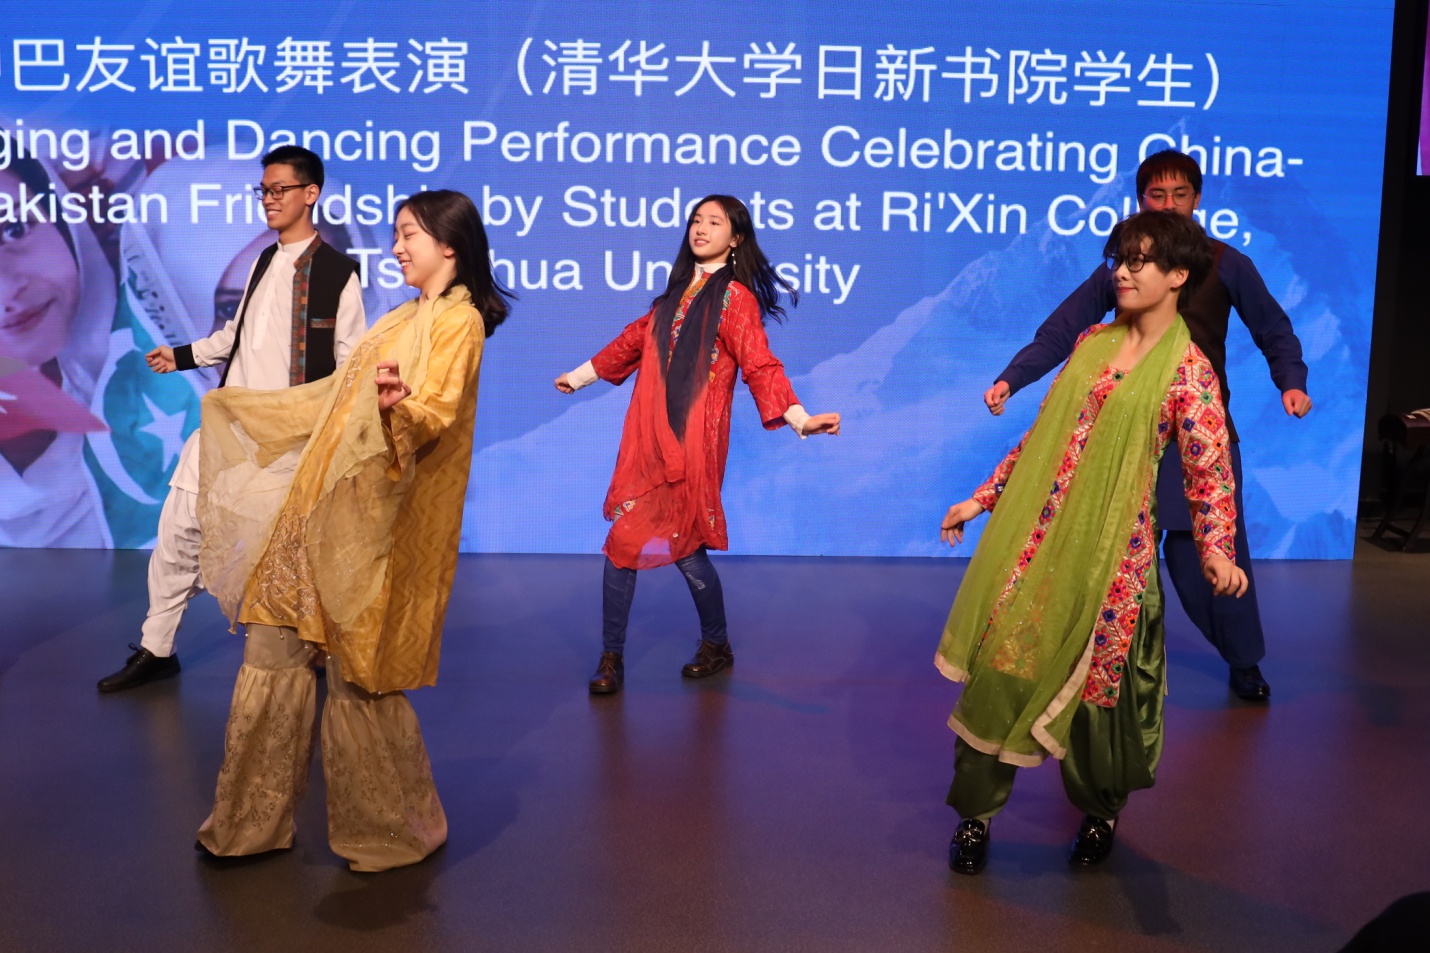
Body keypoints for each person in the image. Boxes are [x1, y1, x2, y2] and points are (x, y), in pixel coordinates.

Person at [194, 188, 509, 871]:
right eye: (395, 234)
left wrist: (399, 409)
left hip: (373, 527)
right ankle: (249, 823)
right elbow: (333, 400)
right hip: (317, 510)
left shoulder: (458, 323)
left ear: (449, 244)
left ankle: (395, 829)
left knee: (357, 677)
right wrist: (244, 408)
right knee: (270, 651)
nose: (396, 247)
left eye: (409, 234)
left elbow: (436, 410)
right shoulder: (399, 317)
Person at [937, 211, 1247, 875]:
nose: (1124, 273)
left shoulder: (1188, 372)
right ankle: (975, 817)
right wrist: (983, 497)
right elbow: (1043, 438)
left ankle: (1101, 811)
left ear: (1178, 275)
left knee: (1099, 706)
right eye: (1120, 260)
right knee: (999, 675)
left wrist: (1216, 548)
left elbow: (1209, 471)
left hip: (1115, 568)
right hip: (1038, 549)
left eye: (1140, 261)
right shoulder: (1089, 344)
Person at [982, 149, 1310, 703]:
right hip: (1123, 433)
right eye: (1157, 195)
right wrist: (1012, 378)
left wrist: (1291, 381)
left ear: (1197, 199)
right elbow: (1062, 329)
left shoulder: (1224, 262)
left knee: (1205, 560)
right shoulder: (1125, 269)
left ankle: (1243, 660)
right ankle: (1075, 667)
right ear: (1141, 201)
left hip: (1195, 437)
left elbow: (1274, 329)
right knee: (1092, 556)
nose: (1169, 204)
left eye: (1180, 195)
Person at [98, 146, 366, 692]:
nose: (269, 199)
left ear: (310, 194)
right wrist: (183, 356)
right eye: (264, 190)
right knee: (177, 534)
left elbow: (351, 362)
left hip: (289, 439)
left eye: (280, 189)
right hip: (228, 426)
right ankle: (157, 647)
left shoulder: (338, 274)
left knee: (288, 551)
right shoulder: (264, 261)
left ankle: (313, 646)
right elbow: (235, 335)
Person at [556, 194, 840, 695]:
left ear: (736, 239)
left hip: (693, 445)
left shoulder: (735, 299)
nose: (701, 228)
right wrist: (579, 376)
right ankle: (612, 657)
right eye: (696, 220)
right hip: (649, 442)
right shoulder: (671, 299)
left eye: (714, 222)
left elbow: (759, 364)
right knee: (623, 543)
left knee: (687, 550)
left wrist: (800, 419)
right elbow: (632, 340)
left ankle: (716, 643)